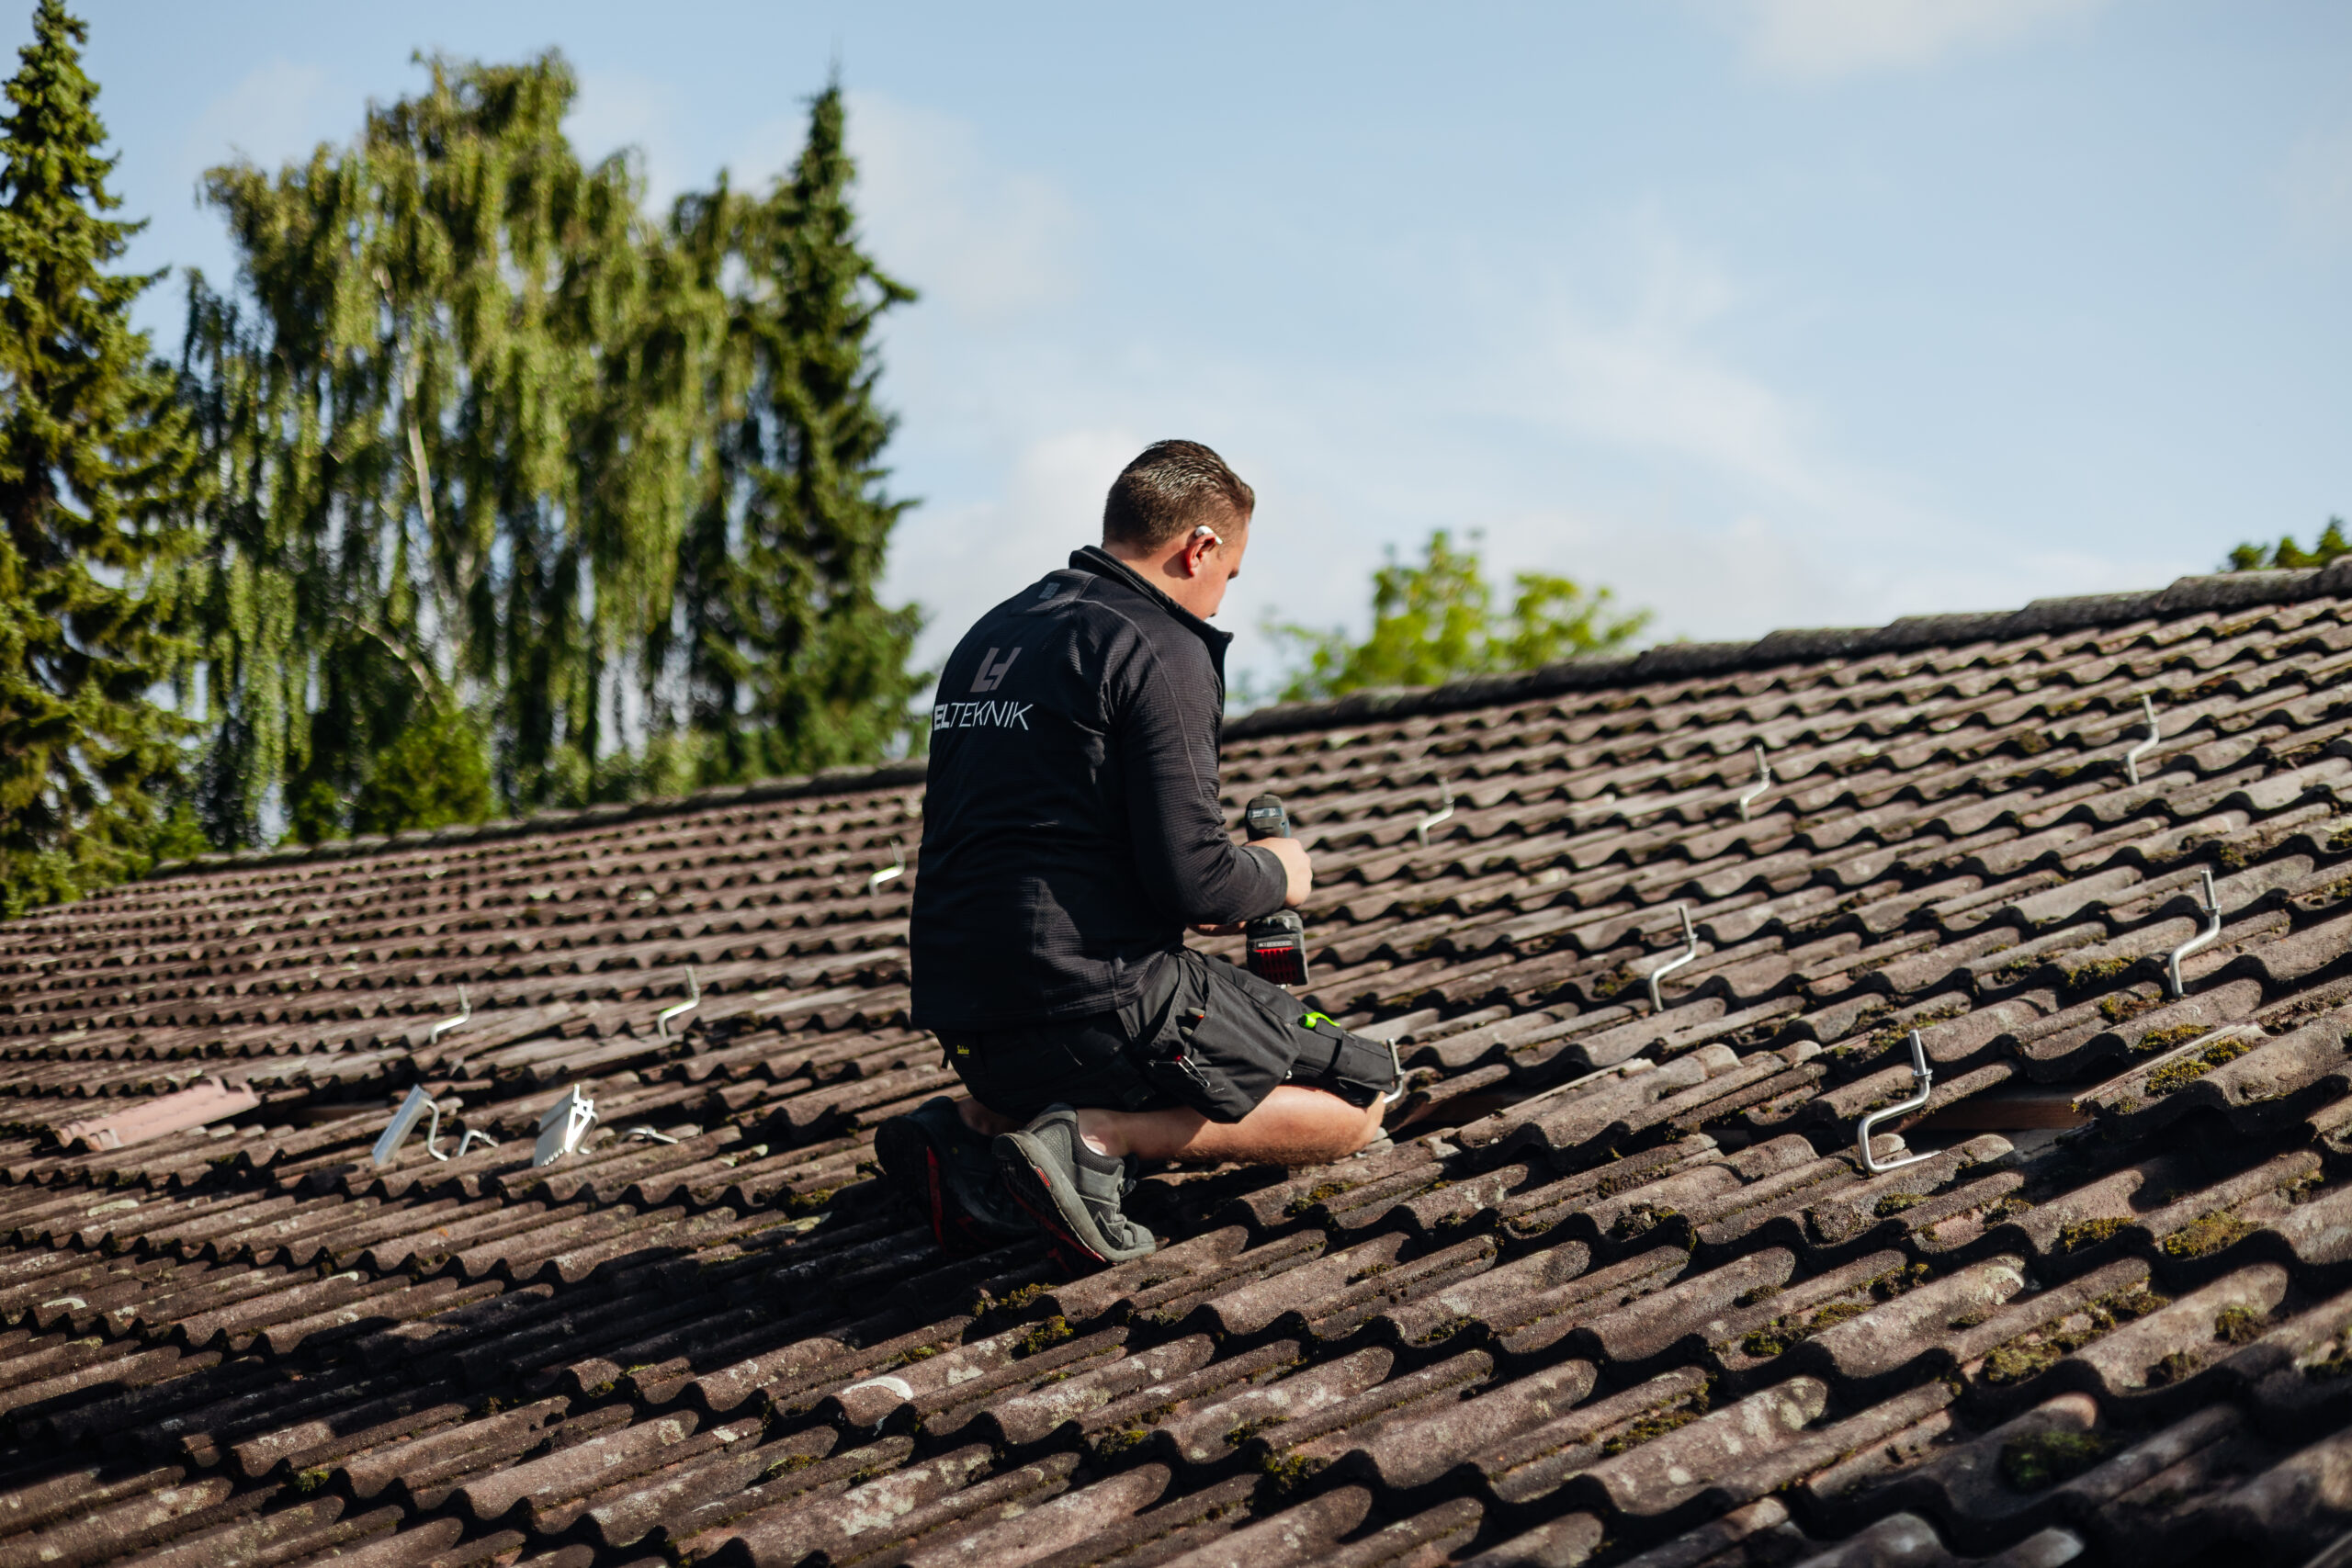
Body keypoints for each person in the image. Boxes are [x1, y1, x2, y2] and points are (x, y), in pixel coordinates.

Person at [874, 440, 1399, 1270]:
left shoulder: (991, 634)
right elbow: (1197, 882)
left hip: (970, 1021)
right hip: (1091, 1005)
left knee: (1169, 1037)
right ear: (1200, 547)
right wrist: (1281, 870)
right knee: (1358, 1094)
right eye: (1230, 574)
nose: (1224, 597)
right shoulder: (1158, 642)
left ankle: (973, 1128)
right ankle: (1094, 1140)